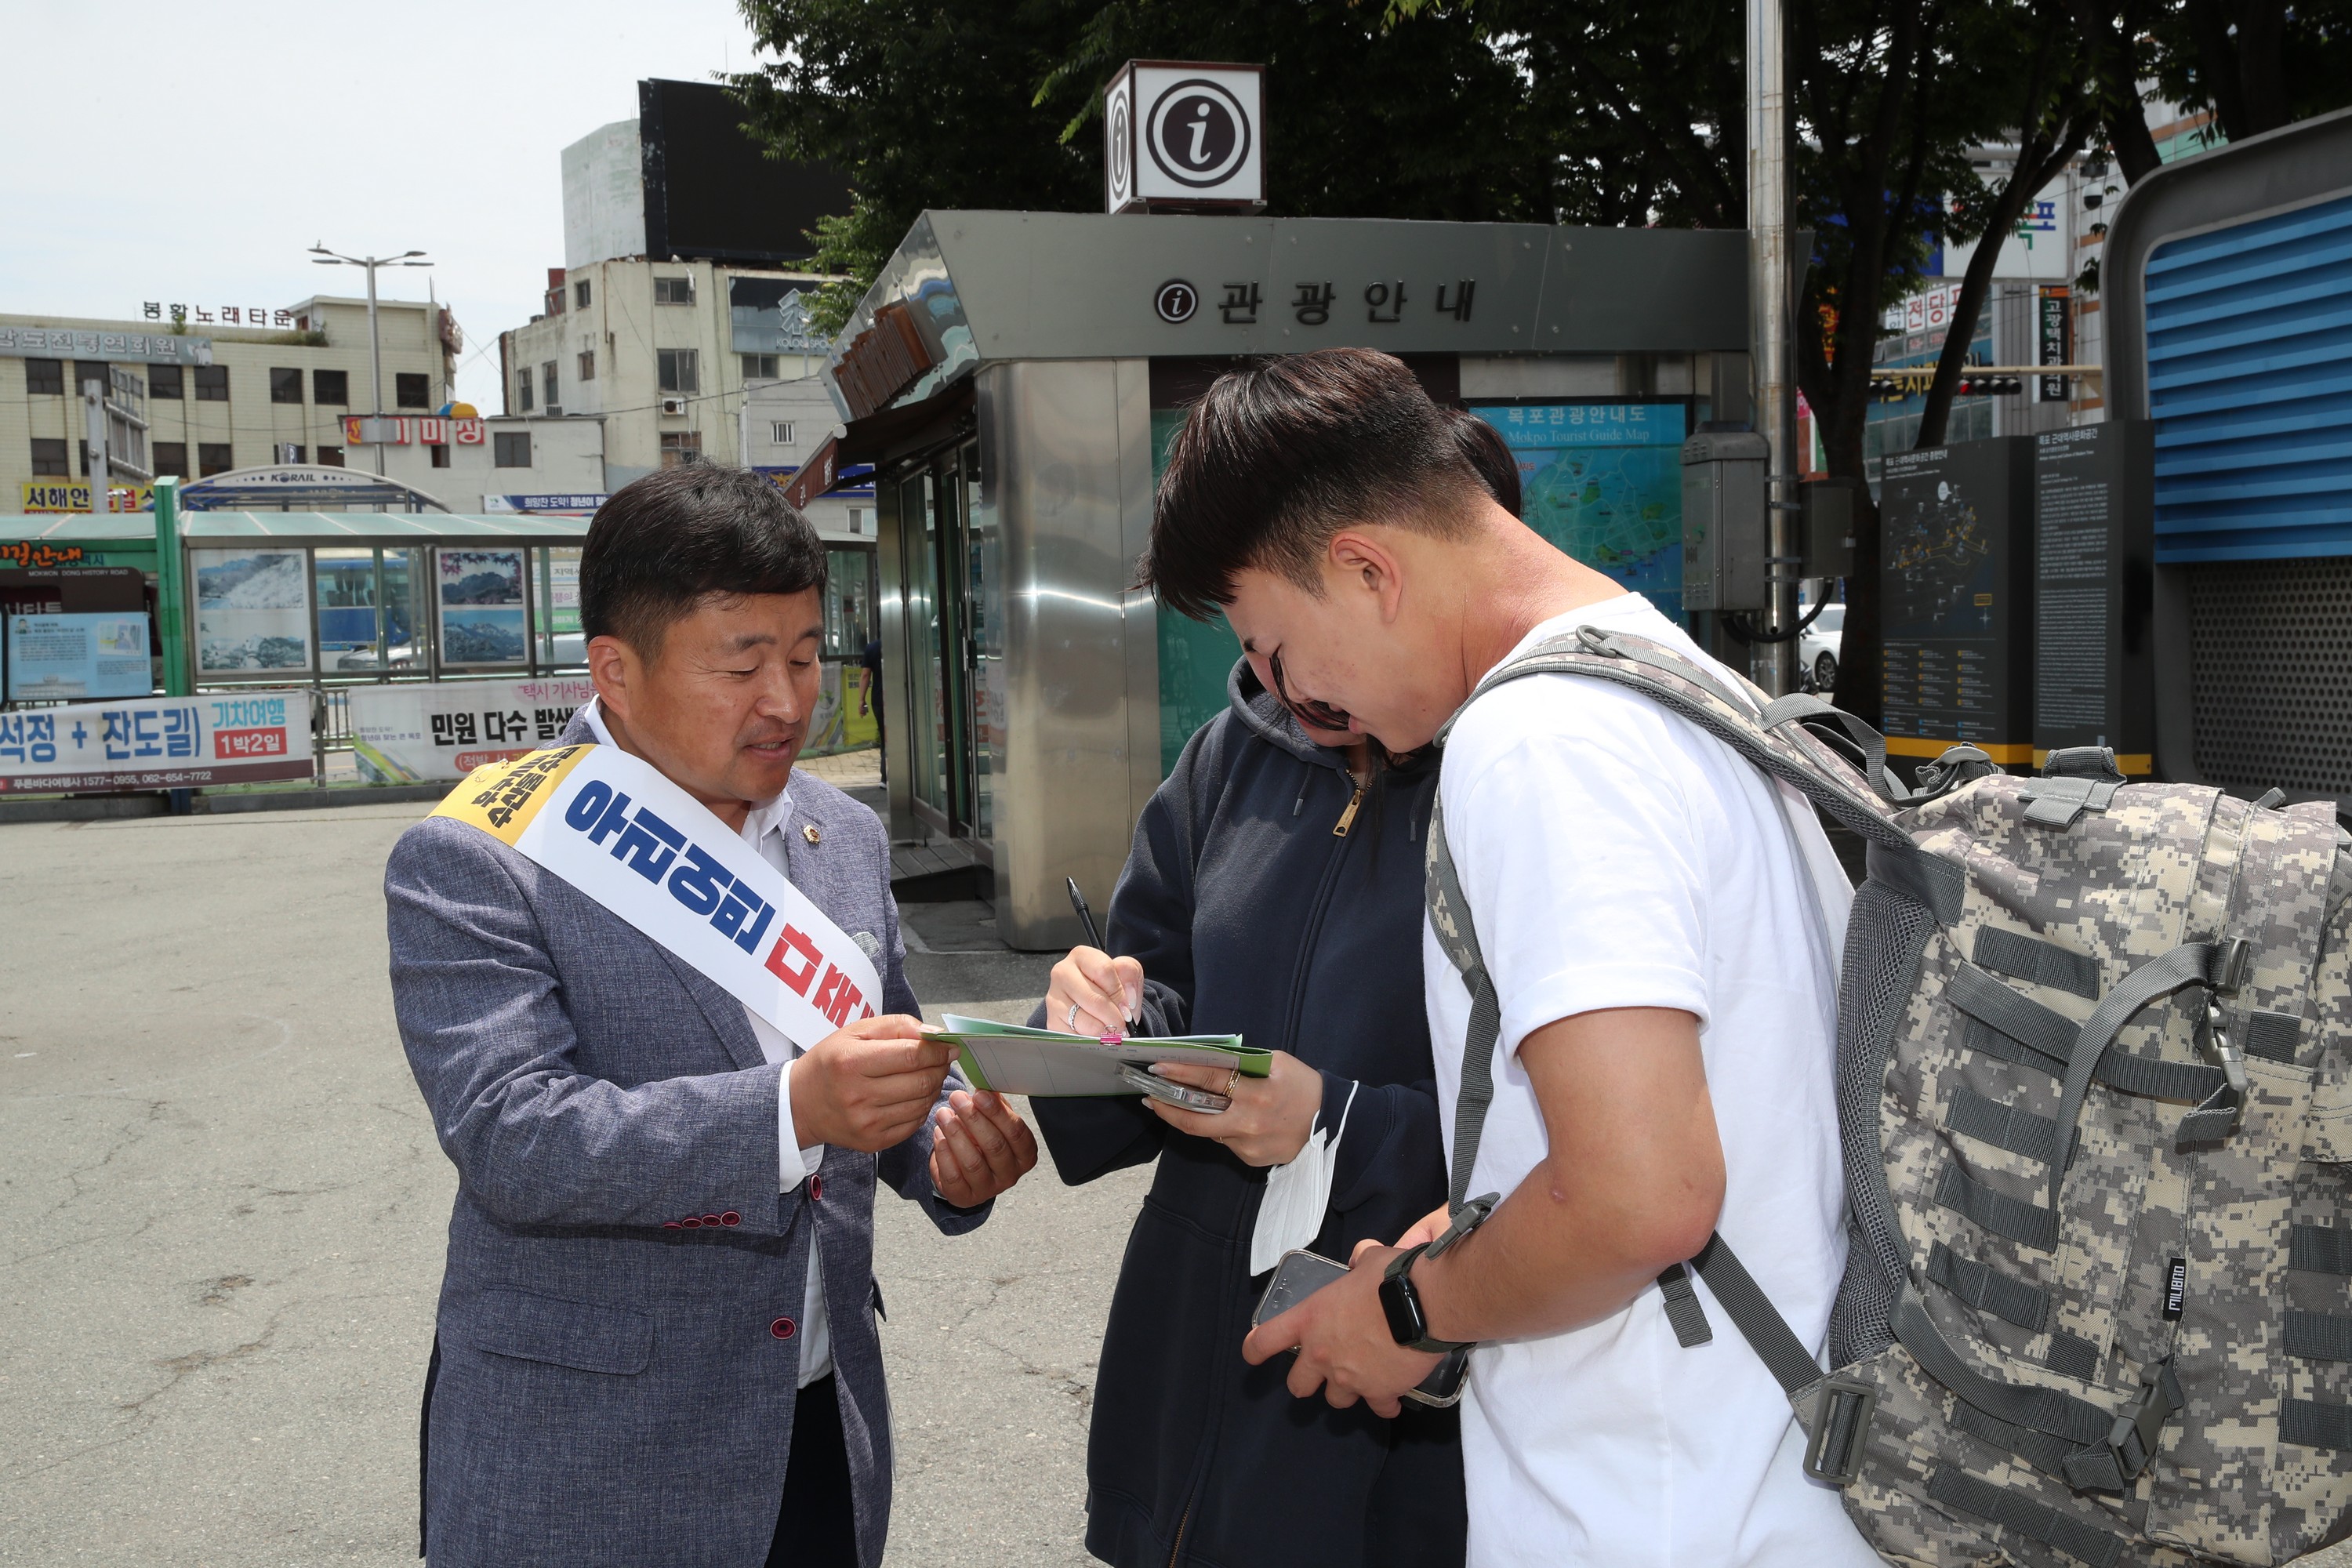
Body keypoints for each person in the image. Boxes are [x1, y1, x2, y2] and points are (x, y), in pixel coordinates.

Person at [1142, 349, 1874, 1566]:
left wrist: (1412, 1309)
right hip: (1764, 1477)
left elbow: (1642, 1196)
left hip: (1663, 1508)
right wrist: (1446, 1248)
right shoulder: (1679, 684)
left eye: (1277, 648)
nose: (1296, 698)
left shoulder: (1541, 741)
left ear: (1367, 570)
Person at [384, 465, 1039, 1568]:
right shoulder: (482, 857)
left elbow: (895, 1044)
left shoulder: (844, 836)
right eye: (741, 664)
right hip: (589, 1461)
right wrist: (796, 1108)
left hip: (817, 1429)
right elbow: (516, 1138)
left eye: (802, 656)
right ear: (616, 672)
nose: (786, 701)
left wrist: (947, 1146)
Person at [1028, 408, 1520, 1568]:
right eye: (1250, 646)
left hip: (1408, 1339)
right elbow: (1164, 983)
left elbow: (1576, 1142)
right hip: (1203, 1318)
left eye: (1281, 640)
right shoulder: (1228, 757)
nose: (1271, 677)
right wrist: (1100, 1021)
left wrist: (1337, 1125)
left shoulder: (1520, 782)